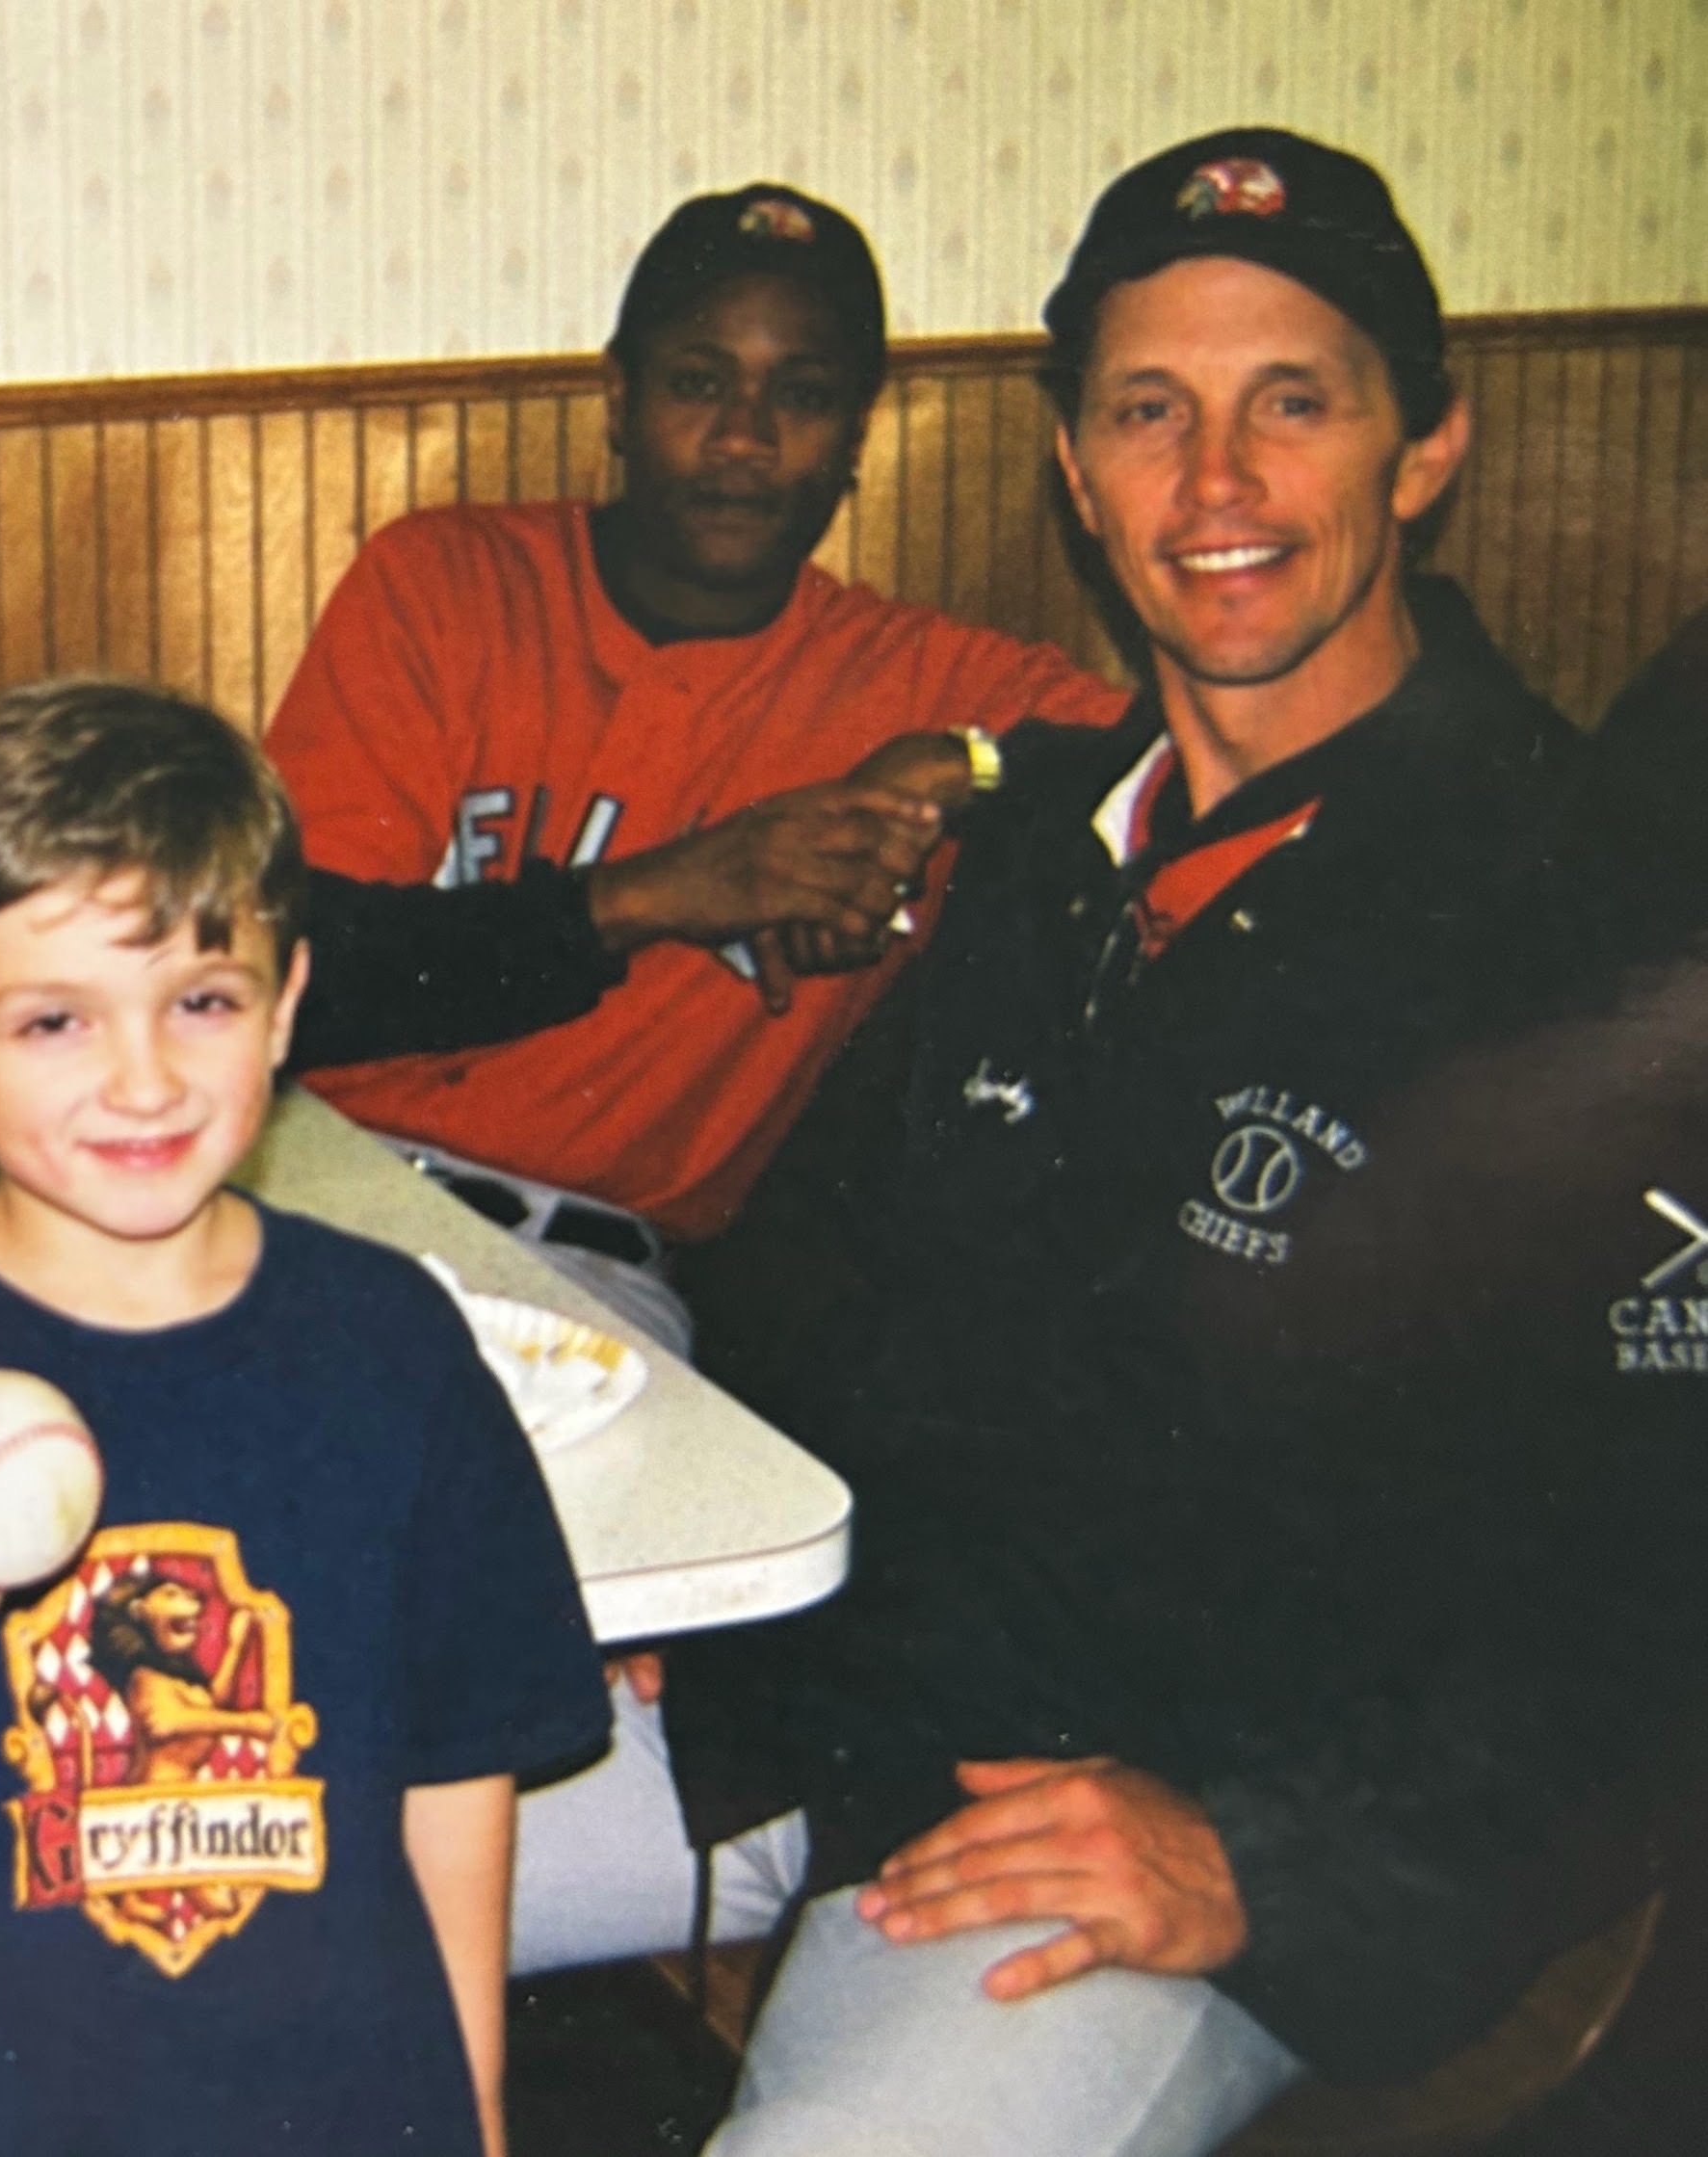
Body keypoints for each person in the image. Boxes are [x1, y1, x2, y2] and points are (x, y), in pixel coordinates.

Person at [565, 127, 1647, 2152]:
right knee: (190, 1843)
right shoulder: (1035, 853)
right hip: (812, 1706)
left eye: (1288, 406)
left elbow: (1647, 1578)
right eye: (1147, 412)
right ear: (1073, 471)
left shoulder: (1580, 914)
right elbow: (808, 1296)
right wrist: (667, 1575)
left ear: (1422, 449)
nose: (1212, 485)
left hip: (1167, 1829)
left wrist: (1267, 1861)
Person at [0, 681, 609, 2155]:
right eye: (52, 1018)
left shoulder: (394, 1343)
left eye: (202, 1000)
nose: (143, 1077)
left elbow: (455, 1771)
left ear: (285, 999)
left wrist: (474, 2111)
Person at [268, 183, 1130, 1338]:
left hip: (581, 1274)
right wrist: (664, 892)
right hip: (308, 1191)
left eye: (804, 396)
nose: (743, 437)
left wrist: (963, 760)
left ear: (857, 436)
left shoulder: (918, 676)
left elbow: (1209, 750)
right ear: (618, 401)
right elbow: (298, 970)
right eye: (697, 382)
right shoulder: (447, 581)